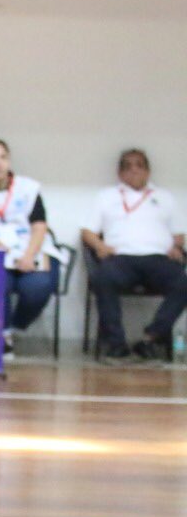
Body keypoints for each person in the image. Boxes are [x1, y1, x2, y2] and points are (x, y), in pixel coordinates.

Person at [0, 138, 64, 357]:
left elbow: (39, 227)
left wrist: (28, 255)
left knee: (38, 286)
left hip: (30, 250)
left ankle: (16, 326)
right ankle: (2, 335)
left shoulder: (28, 188)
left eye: (3, 157)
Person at [81, 149, 186, 362]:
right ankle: (116, 345)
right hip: (121, 258)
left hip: (158, 258)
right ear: (120, 173)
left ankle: (151, 338)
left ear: (148, 171)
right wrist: (100, 246)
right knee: (103, 278)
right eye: (128, 166)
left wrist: (176, 247)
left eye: (140, 165)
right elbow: (87, 232)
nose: (134, 170)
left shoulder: (164, 197)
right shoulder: (106, 196)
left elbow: (178, 234)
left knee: (183, 282)